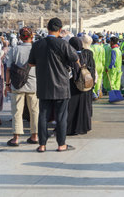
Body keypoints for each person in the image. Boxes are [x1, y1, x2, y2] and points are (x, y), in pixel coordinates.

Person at [28, 18, 79, 152]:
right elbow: (75, 58)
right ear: (60, 29)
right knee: (61, 116)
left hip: (44, 85)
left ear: (47, 28)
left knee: (43, 115)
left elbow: (31, 63)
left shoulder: (38, 44)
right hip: (61, 85)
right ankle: (61, 144)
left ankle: (42, 145)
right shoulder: (62, 44)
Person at [5, 27, 39, 147]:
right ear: (32, 37)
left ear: (20, 37)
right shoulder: (36, 49)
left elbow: (8, 69)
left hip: (17, 84)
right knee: (34, 111)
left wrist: (7, 84)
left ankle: (16, 138)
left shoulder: (14, 50)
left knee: (17, 111)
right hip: (34, 85)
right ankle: (34, 136)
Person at [66, 36, 95, 135]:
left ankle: (70, 129)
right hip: (84, 86)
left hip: (73, 86)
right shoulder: (87, 54)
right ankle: (82, 127)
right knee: (83, 108)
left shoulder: (70, 56)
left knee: (71, 108)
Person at [90, 34, 105, 99]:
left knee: (93, 79)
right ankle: (98, 91)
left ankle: (93, 92)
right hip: (100, 65)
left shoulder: (91, 48)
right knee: (99, 79)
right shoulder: (101, 47)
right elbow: (103, 58)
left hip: (94, 65)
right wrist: (103, 66)